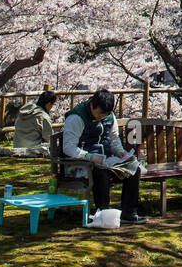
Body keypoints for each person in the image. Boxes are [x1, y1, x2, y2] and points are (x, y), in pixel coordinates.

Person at [63, 88, 148, 224]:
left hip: (105, 161)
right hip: (79, 165)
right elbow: (68, 147)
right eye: (99, 113)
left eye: (105, 114)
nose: (102, 116)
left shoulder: (110, 116)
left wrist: (120, 152)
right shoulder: (76, 118)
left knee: (134, 169)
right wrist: (89, 156)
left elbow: (113, 139)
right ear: (92, 105)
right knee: (100, 172)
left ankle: (129, 212)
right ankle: (103, 214)